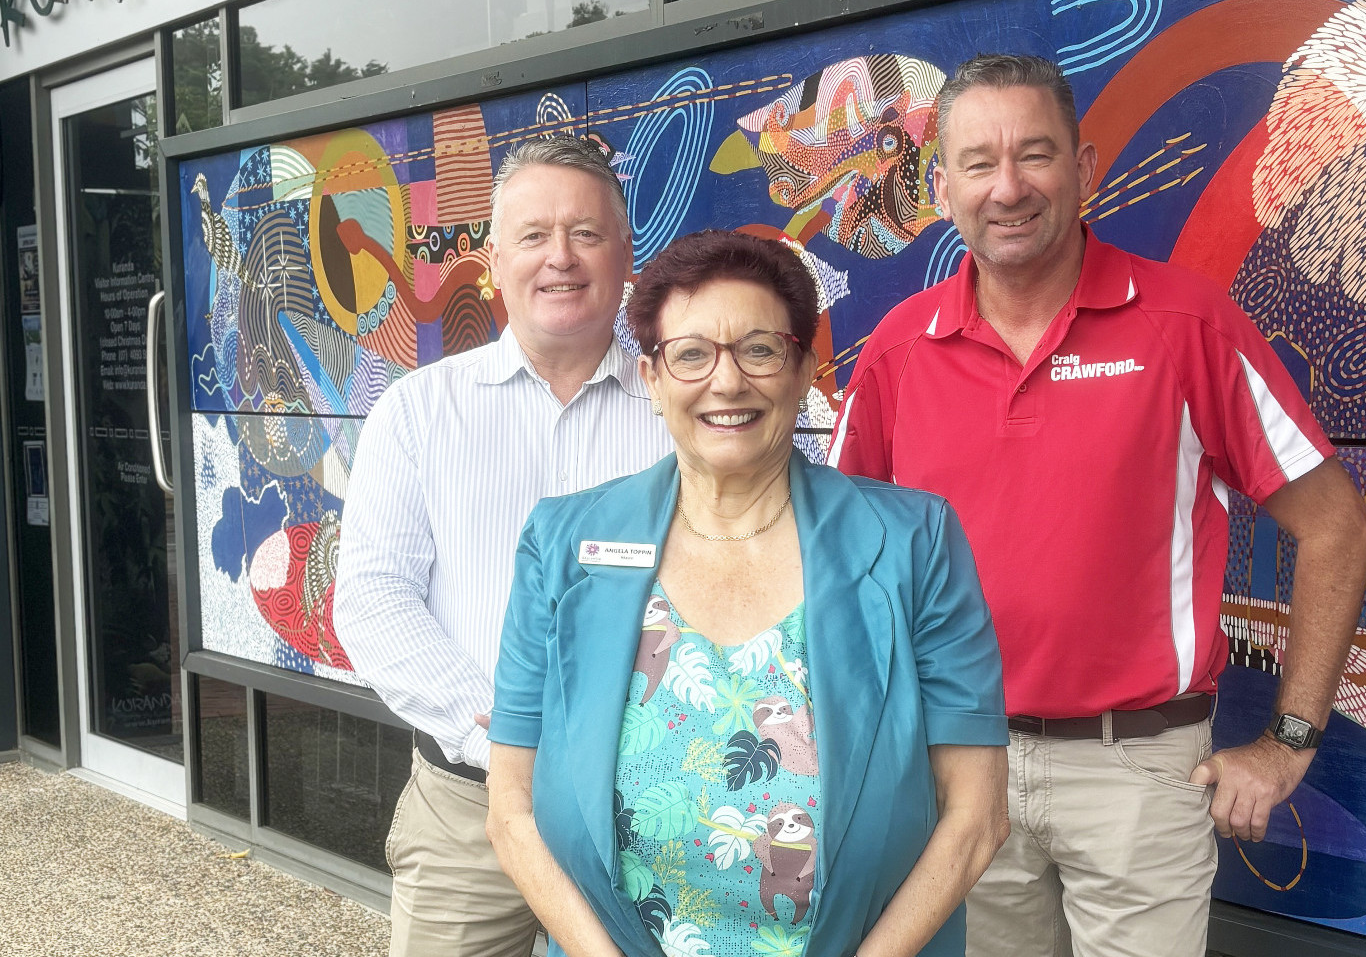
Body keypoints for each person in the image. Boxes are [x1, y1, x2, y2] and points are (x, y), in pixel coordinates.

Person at [830, 54, 1366, 957]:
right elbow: (838, 555)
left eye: (1035, 155)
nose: (1008, 188)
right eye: (978, 163)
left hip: (1139, 771)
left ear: (1086, 169)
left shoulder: (1188, 326)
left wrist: (1286, 741)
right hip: (956, 770)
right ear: (941, 185)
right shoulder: (899, 348)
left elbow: (1336, 530)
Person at [484, 230, 1010, 957]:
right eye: (691, 354)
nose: (726, 382)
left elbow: (976, 816)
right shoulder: (563, 543)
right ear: (651, 377)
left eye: (758, 350)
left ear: (803, 372)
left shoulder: (912, 542)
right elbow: (509, 808)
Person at [333, 135, 674, 957]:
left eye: (587, 234)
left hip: (641, 811)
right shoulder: (419, 412)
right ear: (492, 260)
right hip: (466, 813)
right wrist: (500, 731)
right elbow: (373, 597)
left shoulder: (680, 408)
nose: (560, 257)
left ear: (628, 255)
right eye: (532, 235)